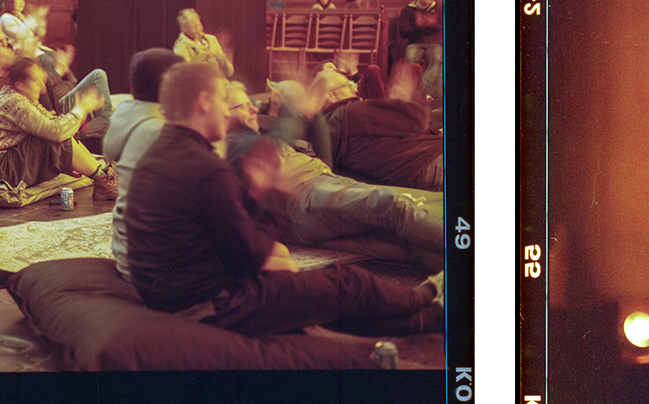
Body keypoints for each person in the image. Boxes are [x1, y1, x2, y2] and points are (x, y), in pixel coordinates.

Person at [124, 61, 442, 357]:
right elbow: (252, 258)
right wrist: (274, 192)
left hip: (176, 302)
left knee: (322, 301)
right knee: (346, 283)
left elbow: (223, 235)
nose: (227, 113)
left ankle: (428, 319)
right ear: (205, 102)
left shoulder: (159, 157)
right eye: (225, 101)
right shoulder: (204, 167)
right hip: (211, 307)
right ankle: (428, 294)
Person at [225, 80, 443, 271]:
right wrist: (304, 114)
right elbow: (274, 140)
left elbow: (315, 145)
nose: (252, 109)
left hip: (322, 184)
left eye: (250, 103)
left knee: (414, 218)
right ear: (225, 113)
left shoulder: (258, 134)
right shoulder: (231, 143)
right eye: (241, 105)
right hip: (304, 196)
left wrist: (311, 115)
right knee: (391, 207)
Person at [0, 57, 118, 200]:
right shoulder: (15, 102)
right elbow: (56, 132)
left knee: (60, 133)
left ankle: (102, 175)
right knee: (55, 140)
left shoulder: (20, 97)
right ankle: (102, 182)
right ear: (20, 83)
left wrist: (79, 113)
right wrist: (81, 109)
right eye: (36, 80)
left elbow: (54, 123)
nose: (42, 87)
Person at [104, 48, 183, 281]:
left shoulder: (130, 116)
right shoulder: (158, 131)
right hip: (151, 262)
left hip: (126, 247)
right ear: (168, 86)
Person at [321, 64, 442, 192]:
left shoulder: (327, 128)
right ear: (330, 96)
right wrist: (403, 99)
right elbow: (418, 119)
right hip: (425, 162)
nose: (355, 89)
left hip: (408, 174)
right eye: (347, 85)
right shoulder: (354, 111)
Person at [396, 0, 441, 96]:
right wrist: (418, 26)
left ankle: (420, 93)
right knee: (411, 61)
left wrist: (433, 25)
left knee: (435, 59)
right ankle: (420, 94)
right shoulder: (408, 10)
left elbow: (445, 28)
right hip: (415, 43)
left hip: (434, 43)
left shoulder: (439, 9)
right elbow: (403, 32)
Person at [171, 8, 234, 79]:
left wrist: (226, 59)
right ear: (184, 29)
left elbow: (228, 73)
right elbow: (186, 74)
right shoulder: (181, 47)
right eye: (195, 27)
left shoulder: (212, 39)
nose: (199, 28)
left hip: (220, 82)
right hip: (200, 85)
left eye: (199, 25)